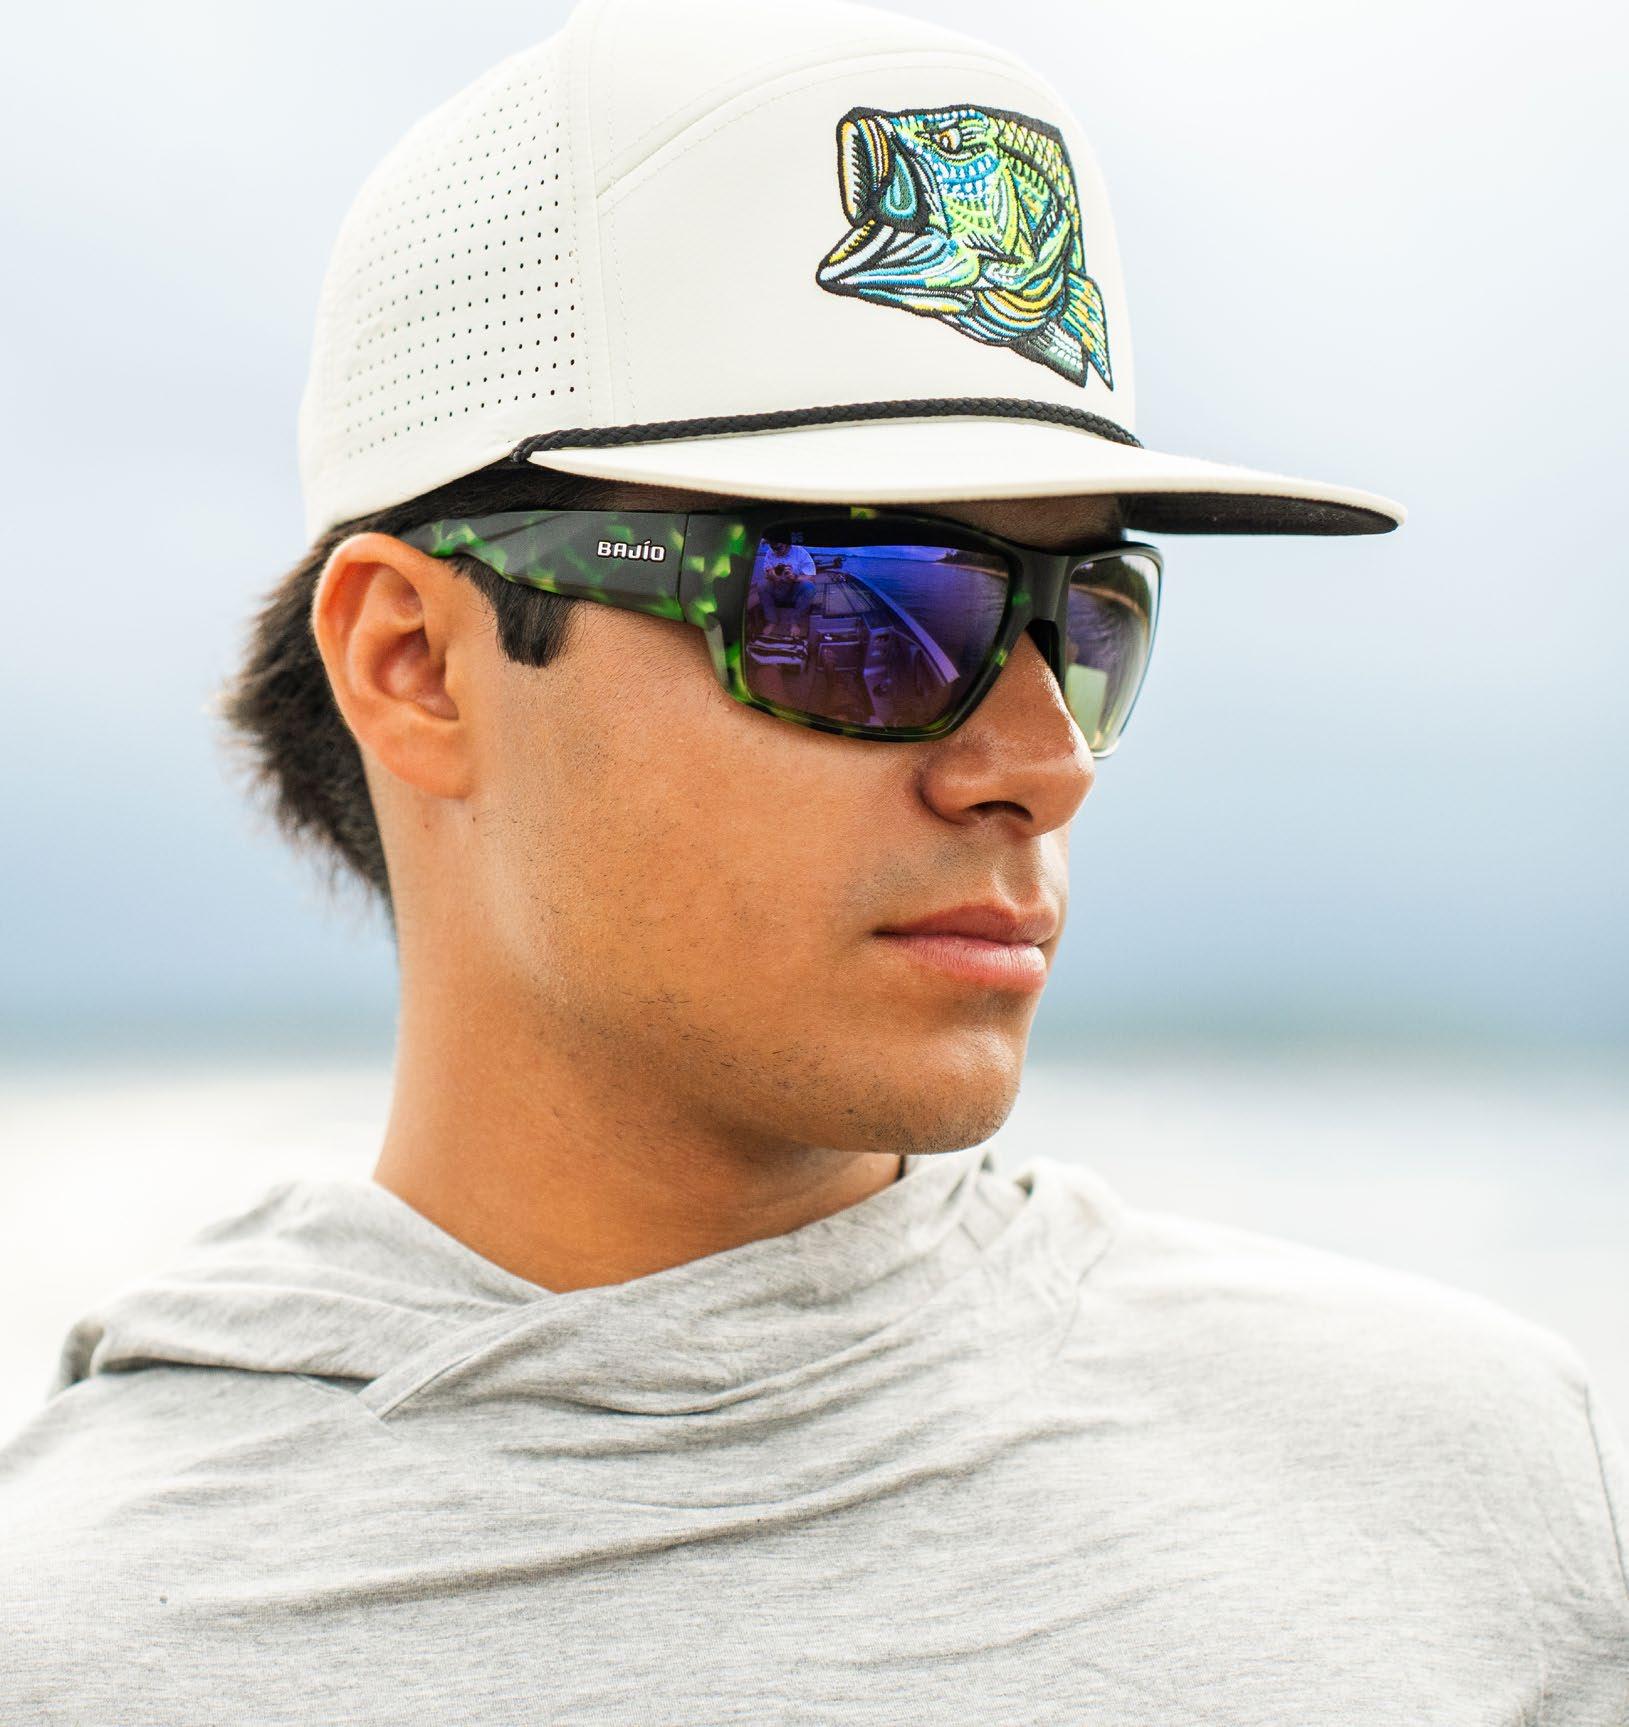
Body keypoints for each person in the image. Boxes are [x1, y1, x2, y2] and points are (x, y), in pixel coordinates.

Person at [3, 0, 1625, 1720]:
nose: (1041, 763)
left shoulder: (1459, 1485)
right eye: (857, 610)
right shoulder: (83, 1647)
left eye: (1085, 621)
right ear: (416, 664)